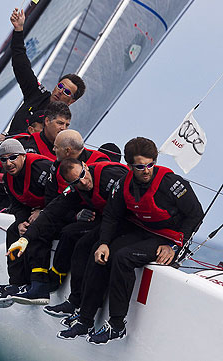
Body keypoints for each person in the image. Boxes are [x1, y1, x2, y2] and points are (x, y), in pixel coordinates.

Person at [58, 137, 203, 344]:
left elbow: (196, 214)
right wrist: (104, 242)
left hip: (168, 240)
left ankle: (117, 325)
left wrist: (174, 246)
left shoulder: (172, 184)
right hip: (143, 232)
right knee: (101, 252)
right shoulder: (122, 184)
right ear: (129, 166)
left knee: (123, 257)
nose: (146, 170)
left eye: (150, 164)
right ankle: (85, 319)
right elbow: (111, 215)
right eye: (140, 166)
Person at [5, 158, 129, 305]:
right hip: (110, 222)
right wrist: (25, 239)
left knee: (85, 245)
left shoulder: (110, 175)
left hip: (133, 225)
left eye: (82, 175)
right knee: (69, 233)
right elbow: (51, 212)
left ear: (85, 166)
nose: (83, 182)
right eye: (76, 182)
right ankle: (52, 282)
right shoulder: (75, 189)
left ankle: (81, 305)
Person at [0, 8, 85, 144]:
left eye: (66, 92)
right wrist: (19, 30)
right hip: (9, 153)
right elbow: (22, 67)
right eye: (60, 86)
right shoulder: (37, 95)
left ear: (71, 101)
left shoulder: (63, 123)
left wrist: (8, 137)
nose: (60, 91)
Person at [0, 102, 71, 212]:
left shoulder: (64, 152)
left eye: (67, 125)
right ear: (47, 121)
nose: (63, 128)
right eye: (60, 123)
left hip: (32, 204)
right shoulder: (24, 144)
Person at [0, 139, 53, 308]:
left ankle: (39, 284)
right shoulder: (8, 179)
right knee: (13, 231)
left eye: (13, 158)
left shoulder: (41, 168)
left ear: (23, 156)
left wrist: (43, 211)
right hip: (37, 213)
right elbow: (17, 205)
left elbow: (61, 194)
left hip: (59, 211)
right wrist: (20, 222)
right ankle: (17, 283)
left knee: (35, 232)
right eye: (3, 159)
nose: (9, 163)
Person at [45, 129, 110, 205]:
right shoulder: (58, 164)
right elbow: (50, 192)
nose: (53, 150)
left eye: (56, 147)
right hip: (62, 209)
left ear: (67, 151)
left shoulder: (99, 162)